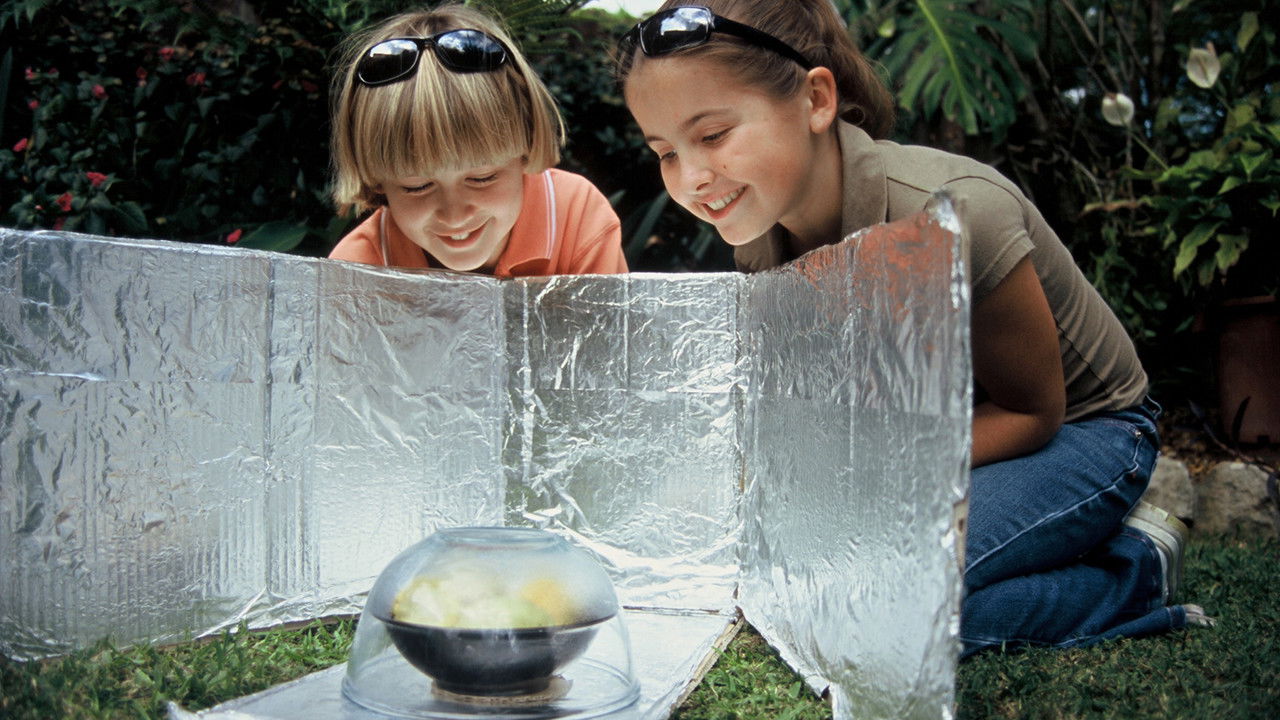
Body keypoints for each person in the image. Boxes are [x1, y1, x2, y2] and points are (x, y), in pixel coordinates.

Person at [616, 0, 1212, 657]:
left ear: (815, 100)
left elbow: (1032, 411)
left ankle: (1135, 570)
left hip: (1084, 434)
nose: (691, 179)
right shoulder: (760, 234)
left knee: (885, 603)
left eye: (713, 135)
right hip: (924, 429)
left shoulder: (952, 214)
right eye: (666, 152)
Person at [329, 4, 627, 276]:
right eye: (416, 186)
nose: (455, 215)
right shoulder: (357, 272)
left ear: (526, 149)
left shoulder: (576, 217)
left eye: (482, 177)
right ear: (377, 179)